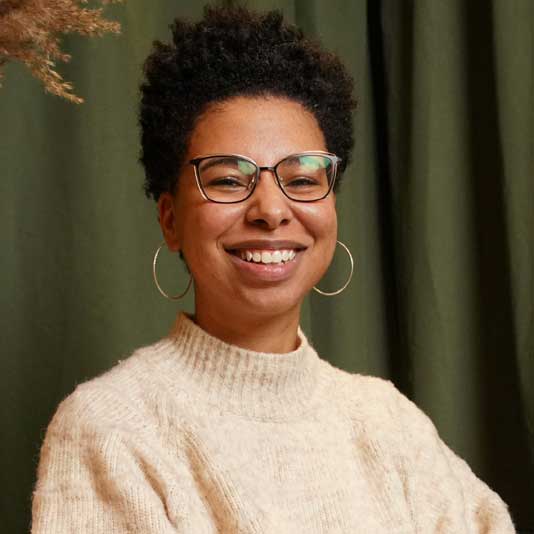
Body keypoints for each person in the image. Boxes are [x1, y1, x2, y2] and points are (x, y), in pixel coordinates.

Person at [31, 6, 516, 533]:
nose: (271, 208)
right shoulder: (111, 428)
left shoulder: (388, 422)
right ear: (170, 221)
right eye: (227, 179)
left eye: (303, 178)